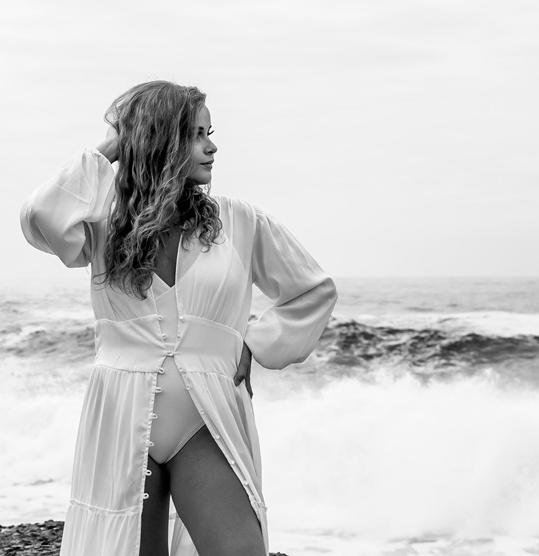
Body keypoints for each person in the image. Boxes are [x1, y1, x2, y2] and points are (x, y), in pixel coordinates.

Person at [19, 80, 338, 556]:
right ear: (161, 142)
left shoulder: (239, 222)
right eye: (196, 134)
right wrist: (113, 147)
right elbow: (42, 216)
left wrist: (257, 342)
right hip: (123, 413)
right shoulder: (105, 225)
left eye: (211, 132)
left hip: (206, 419)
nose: (212, 146)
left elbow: (313, 289)